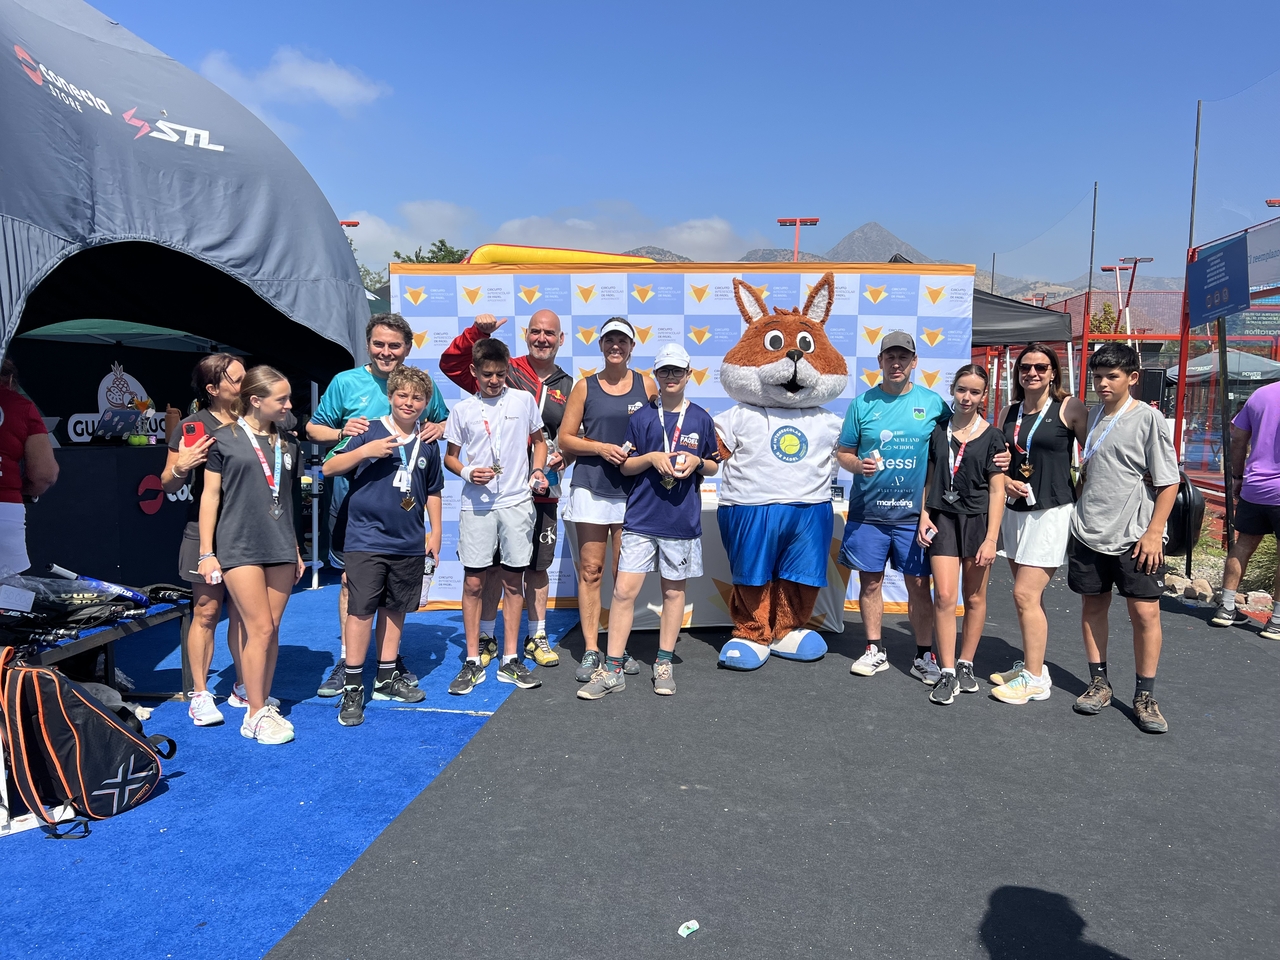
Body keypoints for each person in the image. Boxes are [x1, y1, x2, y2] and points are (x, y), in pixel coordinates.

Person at [307, 313, 448, 698]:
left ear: (407, 348)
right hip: (352, 507)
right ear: (368, 344)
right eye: (379, 344)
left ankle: (388, 664)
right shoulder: (346, 381)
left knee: (395, 596)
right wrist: (345, 433)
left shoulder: (421, 385)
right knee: (353, 588)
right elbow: (314, 431)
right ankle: (347, 662)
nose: (386, 352)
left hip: (403, 517)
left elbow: (440, 425)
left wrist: (439, 428)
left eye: (394, 345)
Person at [577, 344, 720, 700]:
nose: (671, 377)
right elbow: (626, 465)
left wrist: (697, 463)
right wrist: (652, 457)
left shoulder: (700, 418)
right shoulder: (641, 417)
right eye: (664, 371)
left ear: (688, 375)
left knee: (673, 592)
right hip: (641, 518)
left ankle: (664, 662)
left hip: (680, 521)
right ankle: (613, 669)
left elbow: (713, 464)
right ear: (655, 375)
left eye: (677, 371)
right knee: (624, 592)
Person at [439, 308, 573, 667]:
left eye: (550, 333)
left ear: (561, 339)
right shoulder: (506, 368)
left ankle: (537, 636)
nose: (542, 339)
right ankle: (486, 637)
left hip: (541, 488)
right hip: (494, 494)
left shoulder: (568, 384)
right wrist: (475, 333)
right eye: (536, 332)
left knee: (537, 566)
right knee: (493, 569)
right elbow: (451, 364)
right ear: (526, 335)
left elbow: (573, 434)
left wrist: (562, 457)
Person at [1067, 343, 1179, 734]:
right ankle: (1099, 683)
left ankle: (1145, 695)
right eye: (1097, 377)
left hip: (1136, 536)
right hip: (1089, 531)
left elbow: (1169, 481)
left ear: (1132, 377)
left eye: (1112, 376)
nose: (1103, 384)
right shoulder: (1093, 414)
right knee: (1093, 606)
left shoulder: (1148, 418)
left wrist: (1154, 532)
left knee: (1145, 614)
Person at [199, 366, 305, 745]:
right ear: (256, 400)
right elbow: (210, 497)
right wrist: (206, 553)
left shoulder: (289, 444)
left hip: (280, 546)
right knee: (258, 627)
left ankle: (258, 701)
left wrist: (296, 549)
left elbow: (287, 499)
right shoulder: (222, 439)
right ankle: (255, 714)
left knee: (271, 629)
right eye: (282, 399)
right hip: (238, 546)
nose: (289, 405)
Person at [835, 332, 949, 683]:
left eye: (903, 357)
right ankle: (874, 649)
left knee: (919, 585)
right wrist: (858, 466)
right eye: (890, 357)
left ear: (914, 362)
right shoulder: (862, 404)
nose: (896, 363)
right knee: (870, 583)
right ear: (880, 361)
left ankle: (923, 655)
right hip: (869, 514)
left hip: (914, 516)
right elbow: (843, 453)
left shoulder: (933, 404)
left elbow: (956, 444)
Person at [443, 337, 547, 696]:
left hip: (516, 503)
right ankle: (473, 660)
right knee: (474, 582)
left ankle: (510, 659)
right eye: (487, 374)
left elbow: (540, 441)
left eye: (501, 374)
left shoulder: (523, 400)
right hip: (477, 506)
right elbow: (450, 457)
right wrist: (467, 472)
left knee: (513, 582)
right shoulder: (462, 410)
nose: (494, 381)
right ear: (474, 371)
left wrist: (537, 470)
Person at [557, 318, 658, 682]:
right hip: (591, 486)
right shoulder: (585, 386)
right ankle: (591, 648)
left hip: (634, 491)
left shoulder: (648, 384)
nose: (616, 346)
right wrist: (600, 447)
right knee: (591, 570)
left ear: (632, 347)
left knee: (622, 573)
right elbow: (565, 439)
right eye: (610, 340)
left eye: (623, 340)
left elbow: (659, 430)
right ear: (601, 345)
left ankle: (618, 646)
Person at [989, 344, 1090, 705]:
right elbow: (1000, 459)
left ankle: (1034, 680)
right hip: (1015, 510)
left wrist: (1082, 492)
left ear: (1053, 373)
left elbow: (1094, 454)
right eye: (1025, 367)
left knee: (1025, 594)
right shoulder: (1009, 410)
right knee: (1028, 597)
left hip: (1051, 512)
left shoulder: (1070, 407)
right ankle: (1034, 667)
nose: (1032, 373)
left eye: (1041, 367)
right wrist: (1006, 479)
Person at [162, 354, 253, 727]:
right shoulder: (192, 426)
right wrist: (182, 466)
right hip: (205, 533)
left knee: (245, 614)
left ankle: (245, 686)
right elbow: (169, 483)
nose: (245, 384)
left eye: (246, 376)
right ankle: (199, 694)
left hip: (249, 532)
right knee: (207, 612)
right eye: (237, 379)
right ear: (213, 389)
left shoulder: (256, 418)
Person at [916, 365, 1006, 704]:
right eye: (961, 390)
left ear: (984, 396)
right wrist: (924, 513)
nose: (966, 397)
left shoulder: (993, 436)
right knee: (944, 596)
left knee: (975, 598)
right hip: (942, 519)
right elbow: (929, 477)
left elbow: (997, 491)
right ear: (952, 390)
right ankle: (947, 671)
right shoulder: (938, 431)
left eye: (974, 392)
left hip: (977, 523)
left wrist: (991, 539)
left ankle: (966, 662)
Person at [1211, 379, 1280, 642]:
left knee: (1243, 545)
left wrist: (1237, 477)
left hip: (1256, 487)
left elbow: (1238, 438)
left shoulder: (1261, 395)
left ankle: (1226, 607)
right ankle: (1276, 621)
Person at [0, 359, 58, 575]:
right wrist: (22, 490)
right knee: (6, 590)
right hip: (4, 507)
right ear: (10, 380)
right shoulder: (19, 406)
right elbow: (45, 474)